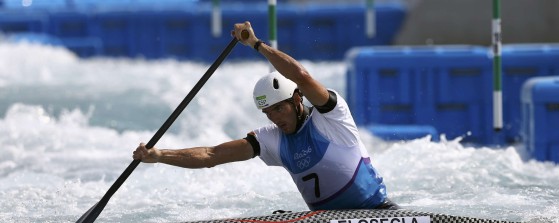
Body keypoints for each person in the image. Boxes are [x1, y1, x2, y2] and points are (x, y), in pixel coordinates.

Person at [133, 21, 398, 211]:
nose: (274, 119)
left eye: (278, 108)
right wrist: (159, 156)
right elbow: (212, 155)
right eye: (267, 113)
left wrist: (256, 44)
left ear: (297, 100)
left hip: (377, 214)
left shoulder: (331, 117)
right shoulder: (271, 140)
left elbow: (302, 77)